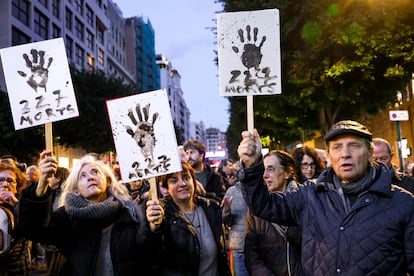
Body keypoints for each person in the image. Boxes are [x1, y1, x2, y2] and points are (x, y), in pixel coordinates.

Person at [237, 120, 414, 274]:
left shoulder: (404, 204)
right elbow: (264, 205)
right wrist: (253, 166)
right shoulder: (309, 194)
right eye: (337, 147)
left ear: (370, 153)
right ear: (329, 156)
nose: (345, 153)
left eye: (354, 145)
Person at [19, 150, 164, 275]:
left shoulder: (129, 214)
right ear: (76, 188)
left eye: (95, 172)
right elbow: (34, 231)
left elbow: (148, 258)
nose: (90, 177)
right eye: (83, 176)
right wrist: (42, 184)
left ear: (107, 181)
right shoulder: (67, 218)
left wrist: (154, 230)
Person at [158, 161, 230, 275]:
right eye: (174, 181)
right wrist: (152, 227)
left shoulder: (211, 208)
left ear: (194, 182)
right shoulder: (162, 215)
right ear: (166, 188)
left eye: (186, 178)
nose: (182, 184)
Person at [244, 150, 301, 276]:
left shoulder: (305, 201)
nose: (265, 175)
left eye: (270, 169)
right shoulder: (256, 208)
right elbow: (251, 254)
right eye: (263, 170)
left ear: (287, 172)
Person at [0, 161, 31, 275]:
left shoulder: (22, 206)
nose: (5, 184)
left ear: (17, 188)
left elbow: (33, 227)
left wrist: (17, 204)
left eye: (10, 181)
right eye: (0, 180)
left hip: (16, 270)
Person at [222, 179, 249, 276]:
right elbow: (225, 222)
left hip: (260, 246)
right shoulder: (231, 191)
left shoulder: (263, 189)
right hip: (239, 247)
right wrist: (226, 211)